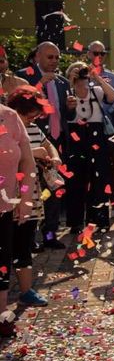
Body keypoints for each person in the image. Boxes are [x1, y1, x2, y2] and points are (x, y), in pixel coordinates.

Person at [15, 42, 77, 249]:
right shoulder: (25, 76)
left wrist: (70, 108)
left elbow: (67, 116)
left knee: (54, 187)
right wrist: (39, 84)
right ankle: (29, 238)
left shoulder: (61, 82)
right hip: (30, 139)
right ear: (37, 57)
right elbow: (19, 106)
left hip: (56, 141)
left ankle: (50, 234)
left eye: (57, 58)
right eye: (50, 57)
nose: (55, 61)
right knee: (31, 189)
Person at [7, 86, 57, 308]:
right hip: (8, 195)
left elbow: (49, 146)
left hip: (31, 195)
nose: (33, 118)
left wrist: (53, 157)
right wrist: (33, 153)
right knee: (6, 244)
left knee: (25, 242)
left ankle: (26, 290)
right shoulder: (6, 130)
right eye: (29, 114)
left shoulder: (34, 129)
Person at [64, 62, 114, 233]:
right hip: (76, 136)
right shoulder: (67, 92)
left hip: (96, 134)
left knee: (99, 178)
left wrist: (96, 78)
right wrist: (70, 82)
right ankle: (76, 222)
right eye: (77, 72)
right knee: (76, 180)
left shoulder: (96, 90)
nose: (81, 75)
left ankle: (99, 219)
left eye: (83, 71)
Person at [0, 101, 36, 336]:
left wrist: (24, 198)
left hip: (4, 207)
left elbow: (27, 160)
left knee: (2, 262)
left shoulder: (10, 116)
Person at [86, 41, 114, 223]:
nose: (98, 56)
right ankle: (92, 210)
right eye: (95, 52)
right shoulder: (81, 74)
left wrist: (112, 107)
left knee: (111, 168)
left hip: (108, 129)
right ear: (88, 54)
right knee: (90, 170)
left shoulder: (113, 77)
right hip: (85, 130)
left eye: (102, 52)